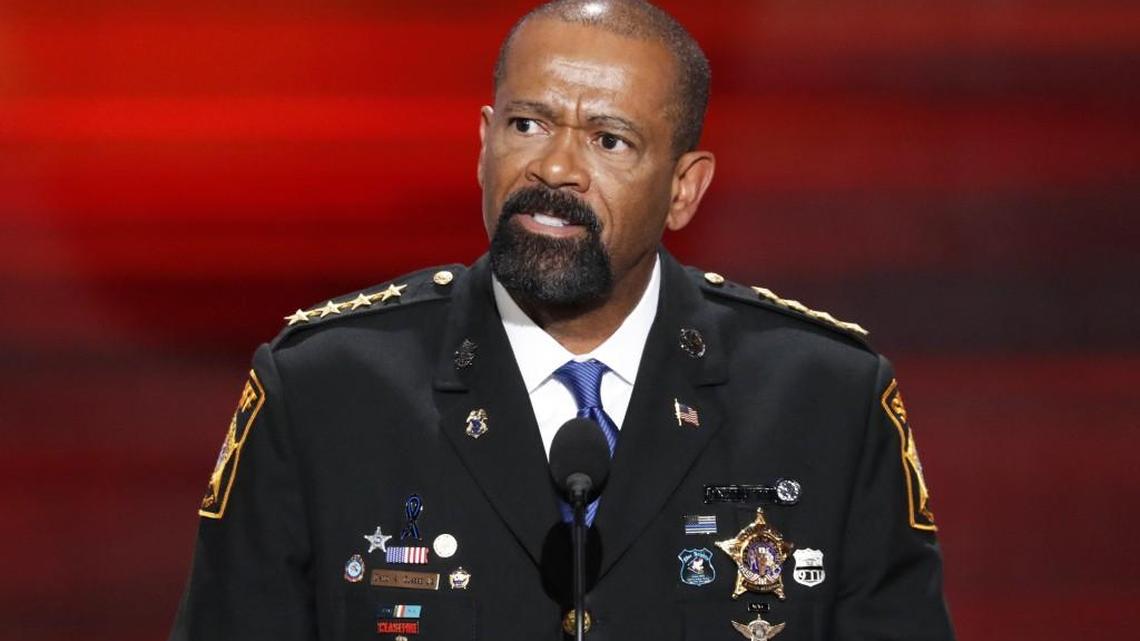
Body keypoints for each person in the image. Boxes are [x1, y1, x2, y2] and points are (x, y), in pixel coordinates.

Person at [169, 1, 954, 640]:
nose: (554, 167)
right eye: (527, 125)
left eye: (609, 139)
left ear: (684, 188)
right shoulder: (322, 392)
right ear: (483, 145)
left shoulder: (828, 403)